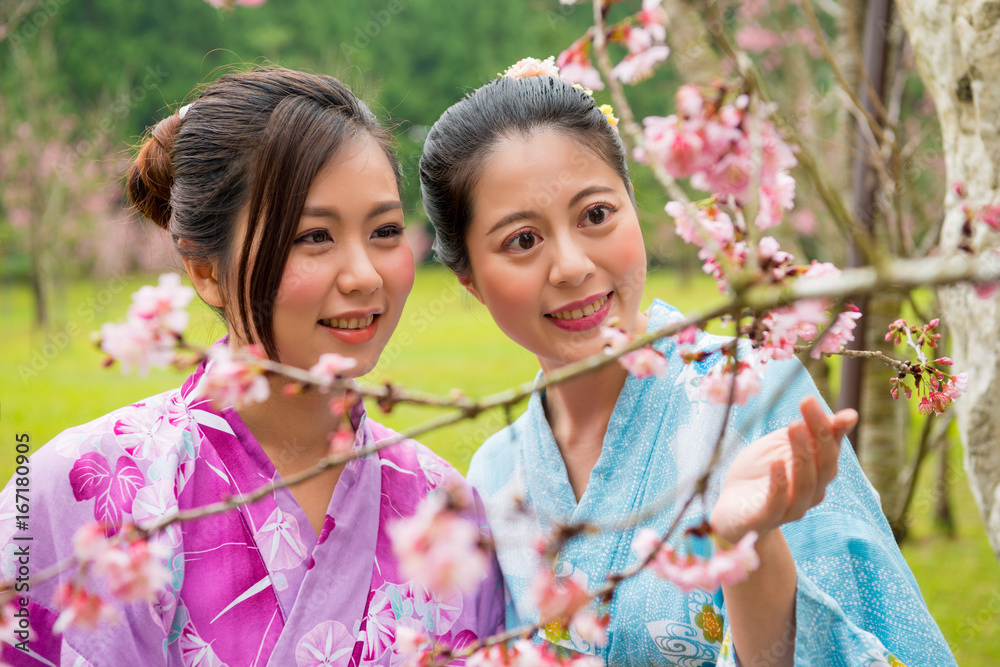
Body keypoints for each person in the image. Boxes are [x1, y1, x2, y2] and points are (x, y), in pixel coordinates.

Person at [419, 72, 957, 666]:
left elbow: (876, 636)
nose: (571, 266)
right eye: (522, 241)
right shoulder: (497, 474)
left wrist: (748, 545)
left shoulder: (749, 392)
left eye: (596, 214)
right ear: (469, 281)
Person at [0, 67, 503, 666]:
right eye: (313, 236)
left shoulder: (443, 505)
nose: (365, 275)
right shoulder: (83, 485)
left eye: (386, 231)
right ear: (206, 270)